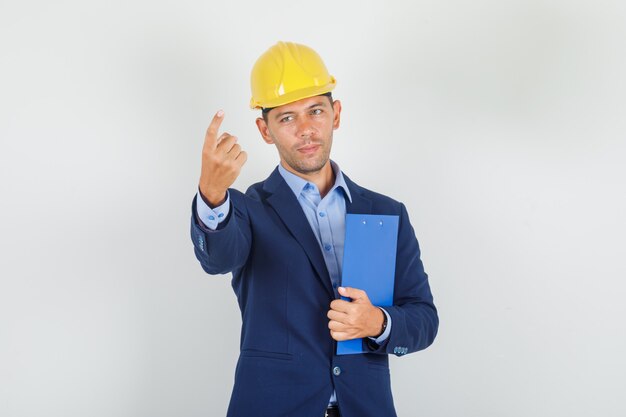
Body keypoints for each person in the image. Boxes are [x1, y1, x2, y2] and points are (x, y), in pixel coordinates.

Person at [190, 41, 438, 417]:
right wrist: (211, 194)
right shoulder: (248, 209)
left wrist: (377, 322)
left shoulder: (387, 213)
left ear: (335, 114)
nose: (306, 130)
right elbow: (219, 257)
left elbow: (423, 318)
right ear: (265, 130)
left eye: (315, 111)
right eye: (287, 118)